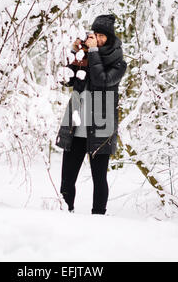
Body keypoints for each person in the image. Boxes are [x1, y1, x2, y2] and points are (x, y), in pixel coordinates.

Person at [55, 14, 127, 215]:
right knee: (67, 178)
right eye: (95, 34)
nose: (98, 38)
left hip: (101, 128)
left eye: (102, 36)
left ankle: (98, 219)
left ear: (110, 38)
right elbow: (66, 80)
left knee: (99, 178)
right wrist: (73, 53)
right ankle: (64, 213)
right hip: (75, 125)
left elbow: (102, 79)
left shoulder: (119, 64)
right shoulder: (85, 57)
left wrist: (93, 51)